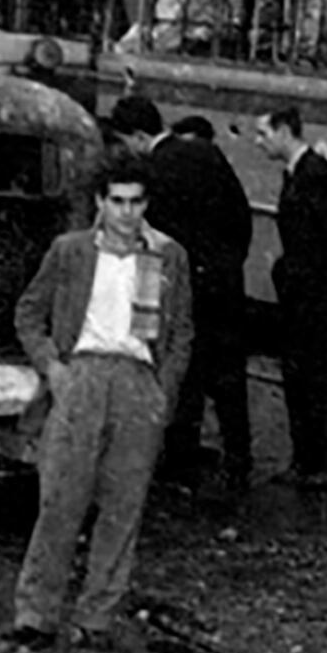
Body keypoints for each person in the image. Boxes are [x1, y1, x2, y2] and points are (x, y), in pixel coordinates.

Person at [10, 152, 194, 651]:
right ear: (100, 202)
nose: (126, 213)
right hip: (81, 377)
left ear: (147, 204)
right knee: (60, 501)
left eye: (136, 202)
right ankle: (36, 614)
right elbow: (29, 312)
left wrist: (163, 392)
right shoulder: (70, 252)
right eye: (117, 201)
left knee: (123, 506)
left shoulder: (165, 256)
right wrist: (52, 367)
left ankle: (96, 618)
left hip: (137, 379)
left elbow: (181, 333)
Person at [111, 97, 256, 500]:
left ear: (139, 136)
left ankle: (180, 460)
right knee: (229, 378)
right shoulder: (207, 154)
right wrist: (227, 267)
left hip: (181, 290)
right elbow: (241, 218)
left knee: (184, 373)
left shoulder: (150, 174)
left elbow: (149, 245)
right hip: (224, 284)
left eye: (126, 142)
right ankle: (239, 461)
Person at [254, 103, 327, 489]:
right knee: (303, 378)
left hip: (312, 298)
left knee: (313, 378)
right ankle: (310, 459)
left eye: (263, 133)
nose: (258, 142)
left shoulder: (314, 175)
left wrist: (316, 289)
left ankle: (323, 461)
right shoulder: (302, 172)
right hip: (304, 294)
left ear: (284, 131)